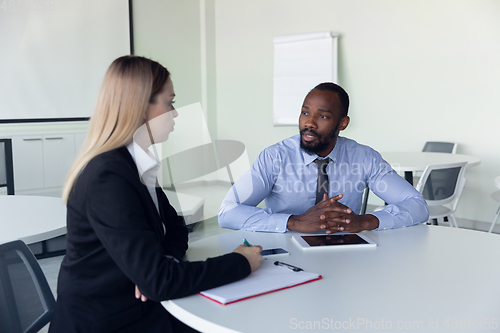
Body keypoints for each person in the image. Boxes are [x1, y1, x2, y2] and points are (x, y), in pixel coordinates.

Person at [48, 56, 262, 333]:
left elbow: (174, 229)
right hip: (105, 319)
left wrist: (162, 263)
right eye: (170, 102)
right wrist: (241, 262)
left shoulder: (137, 163)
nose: (175, 113)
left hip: (139, 304)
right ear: (141, 107)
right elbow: (159, 283)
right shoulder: (109, 177)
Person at [218, 82, 428, 234]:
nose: (309, 123)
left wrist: (364, 221)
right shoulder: (275, 157)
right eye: (305, 113)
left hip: (345, 253)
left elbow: (417, 205)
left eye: (323, 116)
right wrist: (294, 222)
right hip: (285, 249)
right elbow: (227, 211)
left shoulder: (364, 158)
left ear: (343, 123)